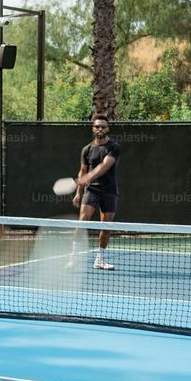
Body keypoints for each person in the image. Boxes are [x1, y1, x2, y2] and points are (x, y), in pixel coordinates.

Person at [69, 114, 122, 270]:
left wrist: (84, 179)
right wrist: (79, 192)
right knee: (81, 223)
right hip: (91, 190)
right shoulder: (87, 149)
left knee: (106, 227)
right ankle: (74, 258)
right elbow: (82, 170)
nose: (100, 129)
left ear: (108, 129)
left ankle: (99, 259)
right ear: (93, 129)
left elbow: (104, 167)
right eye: (97, 126)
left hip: (109, 191)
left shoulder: (114, 147)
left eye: (103, 127)